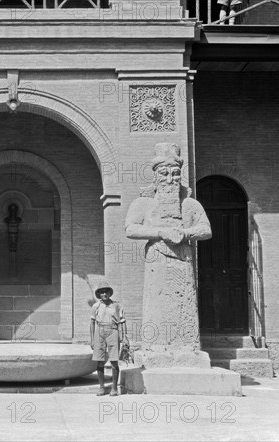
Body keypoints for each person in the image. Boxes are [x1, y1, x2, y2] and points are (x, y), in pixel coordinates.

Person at [125, 143, 211, 354]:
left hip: (183, 258)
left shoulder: (190, 205)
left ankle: (187, 348)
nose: (170, 179)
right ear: (155, 176)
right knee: (158, 304)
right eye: (164, 174)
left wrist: (185, 233)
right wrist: (160, 233)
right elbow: (131, 229)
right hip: (157, 258)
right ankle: (155, 346)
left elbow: (206, 229)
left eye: (175, 174)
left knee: (184, 306)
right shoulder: (142, 204)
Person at [89, 278, 126, 396]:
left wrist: (124, 337)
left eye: (106, 292)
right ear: (99, 294)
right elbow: (92, 323)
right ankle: (101, 387)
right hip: (99, 332)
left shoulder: (117, 306)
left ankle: (114, 388)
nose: (104, 294)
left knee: (114, 361)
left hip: (113, 331)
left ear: (110, 293)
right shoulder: (96, 306)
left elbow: (122, 322)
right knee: (99, 361)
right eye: (101, 292)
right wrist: (91, 339)